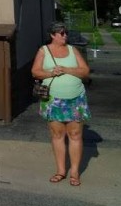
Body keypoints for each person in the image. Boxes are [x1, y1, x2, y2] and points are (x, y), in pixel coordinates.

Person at [31, 22, 91, 187]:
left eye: (65, 33)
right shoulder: (44, 51)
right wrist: (51, 72)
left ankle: (75, 172)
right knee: (57, 135)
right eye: (61, 33)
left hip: (76, 99)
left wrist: (66, 69)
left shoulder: (73, 50)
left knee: (75, 135)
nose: (65, 36)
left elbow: (85, 71)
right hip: (53, 99)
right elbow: (35, 71)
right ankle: (60, 171)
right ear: (52, 35)